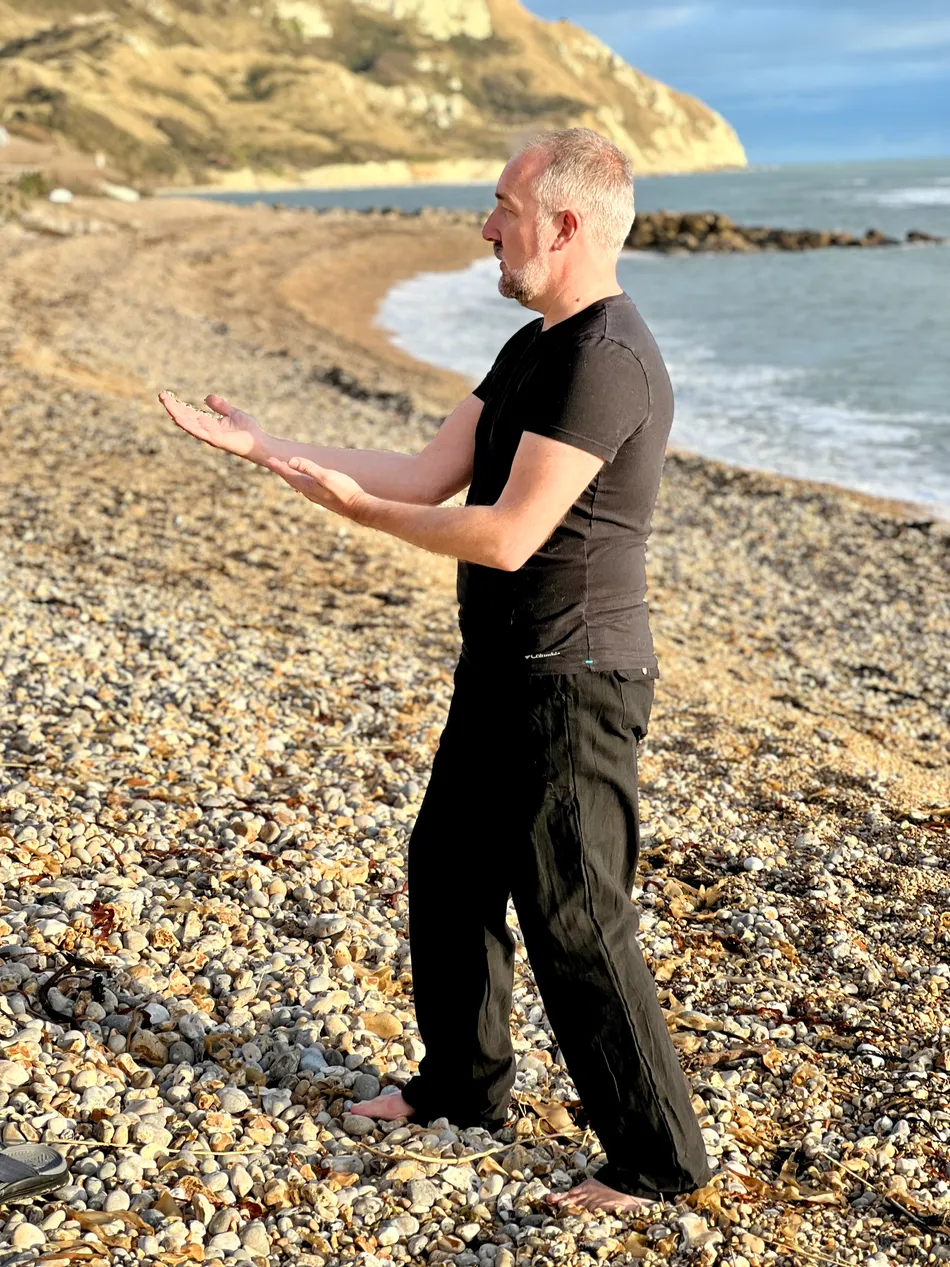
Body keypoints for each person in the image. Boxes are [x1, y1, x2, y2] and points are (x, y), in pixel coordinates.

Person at [158, 127, 712, 1214]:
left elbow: (506, 533)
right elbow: (424, 468)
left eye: (500, 205)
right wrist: (271, 450)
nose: (483, 225)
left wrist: (367, 517)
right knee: (448, 871)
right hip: (501, 663)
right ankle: (462, 1089)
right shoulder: (534, 348)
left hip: (576, 678)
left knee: (574, 913)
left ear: (560, 221)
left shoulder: (605, 359)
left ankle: (657, 1161)